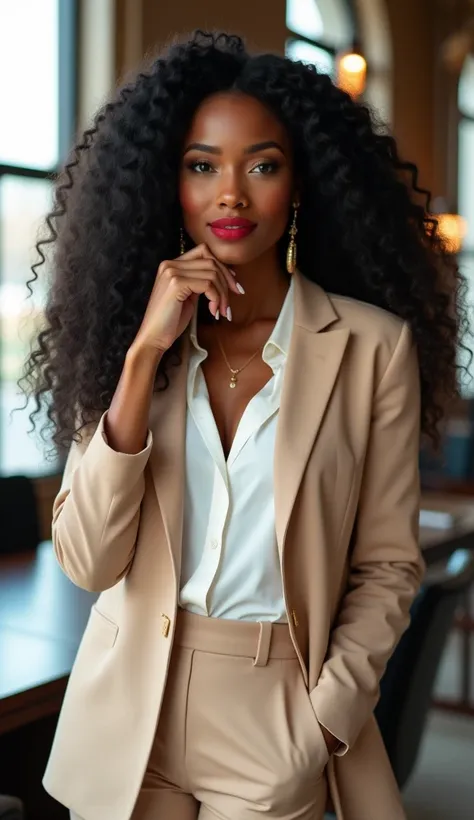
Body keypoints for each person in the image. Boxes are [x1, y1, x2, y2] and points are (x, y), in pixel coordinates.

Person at [20, 29, 470, 820]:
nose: (230, 194)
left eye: (261, 165)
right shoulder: (136, 339)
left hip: (276, 713)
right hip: (133, 712)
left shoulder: (371, 348)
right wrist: (140, 358)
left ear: (298, 185)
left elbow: (388, 567)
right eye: (202, 166)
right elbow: (89, 563)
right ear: (172, 183)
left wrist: (320, 723)